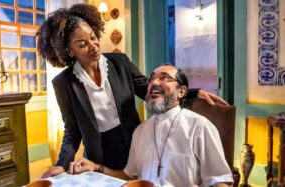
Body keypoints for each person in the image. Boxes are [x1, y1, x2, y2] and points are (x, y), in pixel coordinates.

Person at [37, 3, 228, 178]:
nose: (93, 46)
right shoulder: (63, 83)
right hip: (98, 152)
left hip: (132, 142)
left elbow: (148, 89)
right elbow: (72, 130)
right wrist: (61, 165)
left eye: (93, 38)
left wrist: (192, 92)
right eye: (82, 44)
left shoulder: (119, 63)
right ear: (69, 51)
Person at [69, 65, 233, 187]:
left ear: (181, 92)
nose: (154, 82)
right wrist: (96, 167)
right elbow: (128, 177)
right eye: (152, 78)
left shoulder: (200, 127)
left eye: (163, 78)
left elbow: (220, 182)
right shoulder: (140, 131)